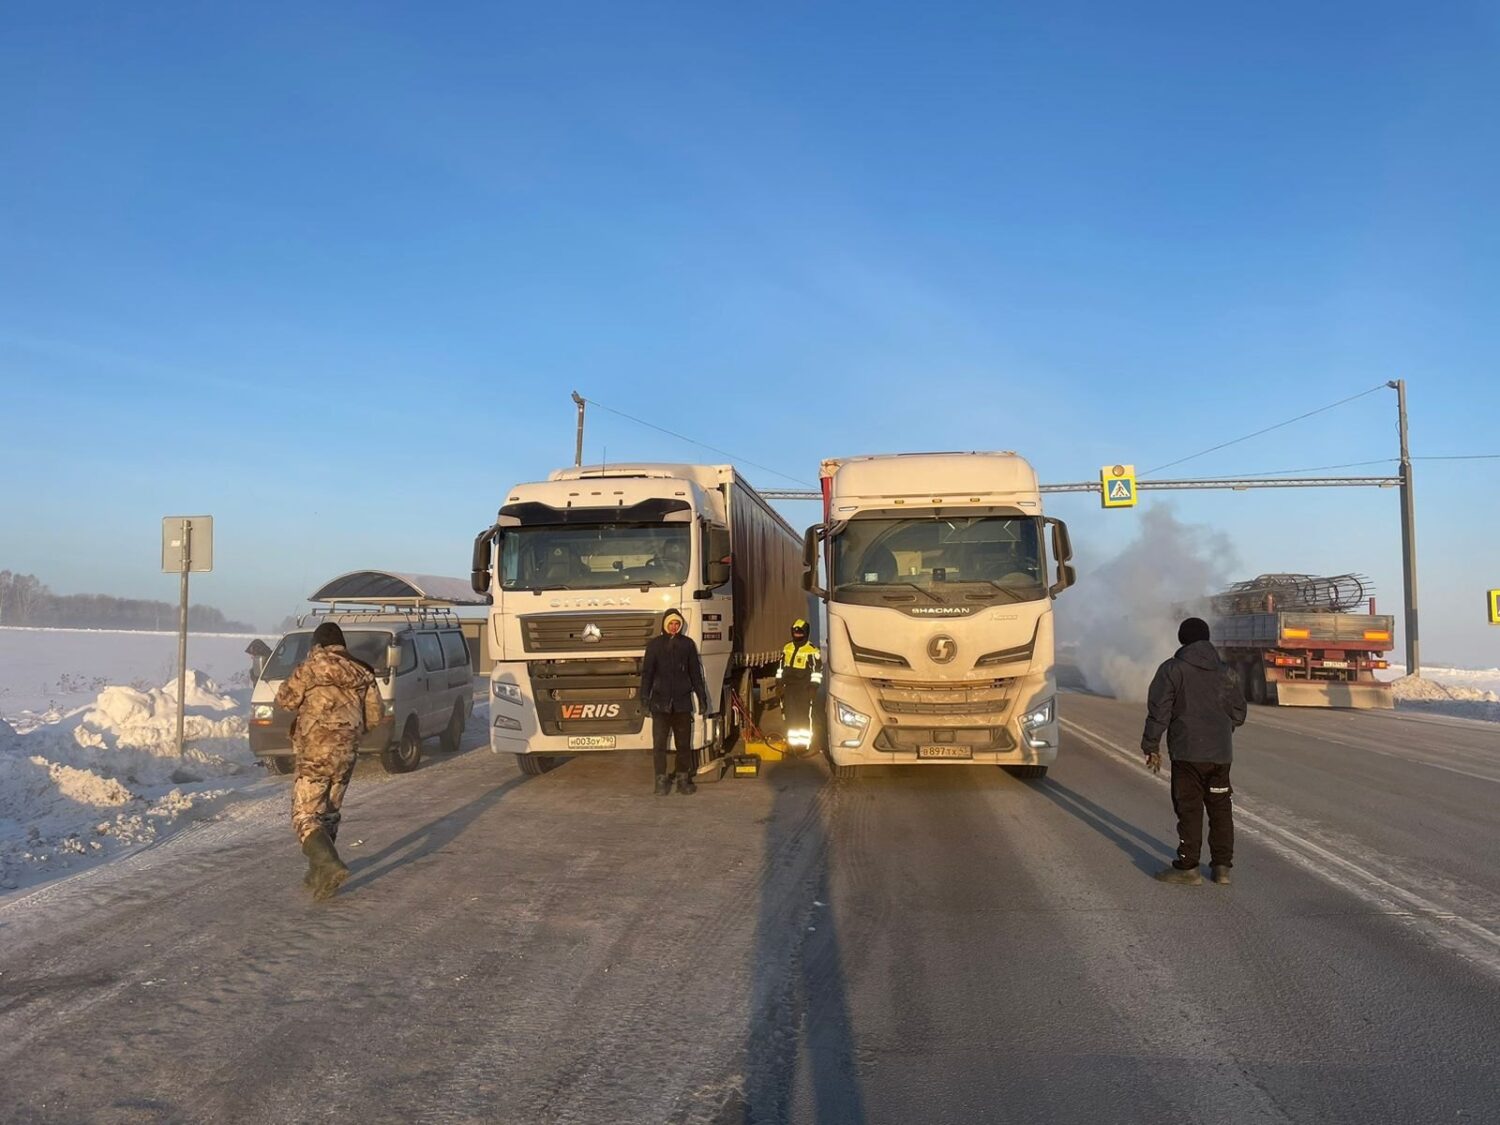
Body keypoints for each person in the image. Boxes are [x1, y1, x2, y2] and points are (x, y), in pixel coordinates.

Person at [275, 621, 383, 899]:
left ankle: (329, 864)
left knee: (304, 815)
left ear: (318, 644)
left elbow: (285, 701)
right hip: (346, 754)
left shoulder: (310, 668)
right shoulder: (364, 672)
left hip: (314, 752)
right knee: (329, 813)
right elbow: (375, 717)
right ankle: (321, 872)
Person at [1141, 616, 1247, 886]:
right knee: (1221, 809)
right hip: (1221, 755)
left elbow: (1160, 710)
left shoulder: (1172, 669)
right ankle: (1222, 868)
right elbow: (1238, 712)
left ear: (1182, 639)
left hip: (1187, 752)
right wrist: (1219, 730)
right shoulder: (1226, 671)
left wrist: (1151, 745)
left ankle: (1188, 867)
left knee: (1189, 809)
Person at [639, 608, 710, 795]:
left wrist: (702, 699)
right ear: (664, 624)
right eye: (671, 624)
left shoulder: (687, 645)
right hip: (660, 705)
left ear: (681, 626)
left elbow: (695, 674)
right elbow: (647, 675)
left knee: (683, 745)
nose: (674, 627)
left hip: (682, 704)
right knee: (659, 745)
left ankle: (682, 779)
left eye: (677, 624)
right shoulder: (654, 646)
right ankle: (660, 781)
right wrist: (644, 700)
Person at [777, 618, 822, 751]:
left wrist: (813, 687)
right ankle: (792, 745)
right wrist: (779, 683)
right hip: (789, 688)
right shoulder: (787, 648)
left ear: (805, 633)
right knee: (790, 716)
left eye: (800, 632)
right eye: (795, 632)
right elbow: (780, 668)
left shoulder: (812, 650)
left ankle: (803, 746)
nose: (797, 634)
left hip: (804, 688)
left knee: (803, 716)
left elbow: (817, 671)